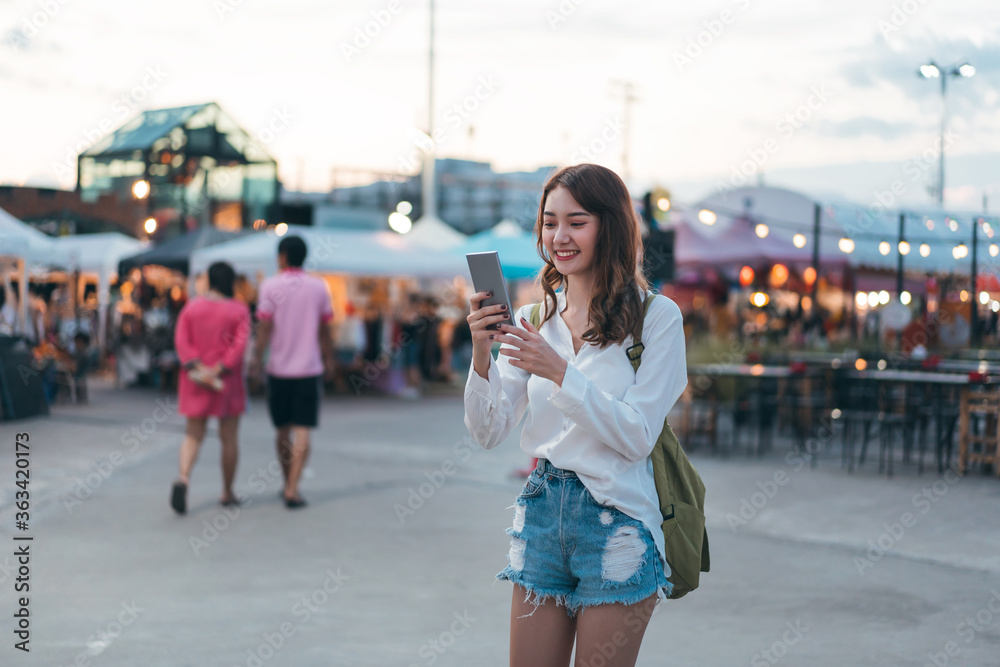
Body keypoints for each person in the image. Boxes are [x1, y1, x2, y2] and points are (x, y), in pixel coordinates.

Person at [463, 164, 687, 667]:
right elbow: (488, 431)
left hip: (617, 523)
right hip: (541, 515)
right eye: (549, 222)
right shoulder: (533, 319)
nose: (559, 237)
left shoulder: (657, 318)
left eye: (576, 221)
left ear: (610, 226)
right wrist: (481, 354)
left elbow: (636, 437)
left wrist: (561, 373)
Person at [249, 236, 335, 509]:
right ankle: (292, 488)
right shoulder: (319, 286)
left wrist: (255, 360)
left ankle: (288, 481)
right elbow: (325, 329)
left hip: (278, 369)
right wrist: (330, 358)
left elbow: (263, 328)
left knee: (282, 430)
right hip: (309, 368)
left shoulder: (270, 286)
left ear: (283, 256)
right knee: (304, 430)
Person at [170, 261, 251, 514]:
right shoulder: (239, 310)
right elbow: (239, 345)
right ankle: (227, 491)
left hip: (195, 379)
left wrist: (196, 366)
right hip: (226, 382)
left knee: (193, 433)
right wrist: (220, 367)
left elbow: (181, 340)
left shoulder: (192, 307)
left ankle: (183, 477)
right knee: (229, 438)